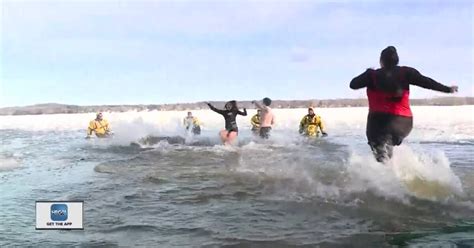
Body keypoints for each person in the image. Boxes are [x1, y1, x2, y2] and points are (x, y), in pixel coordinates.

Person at [350, 46, 458, 163]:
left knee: (382, 158)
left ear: (381, 61)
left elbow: (353, 84)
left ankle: (388, 176)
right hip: (403, 124)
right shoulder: (406, 72)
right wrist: (448, 89)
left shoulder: (371, 75)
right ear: (397, 60)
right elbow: (427, 82)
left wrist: (367, 72)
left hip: (378, 123)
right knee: (388, 146)